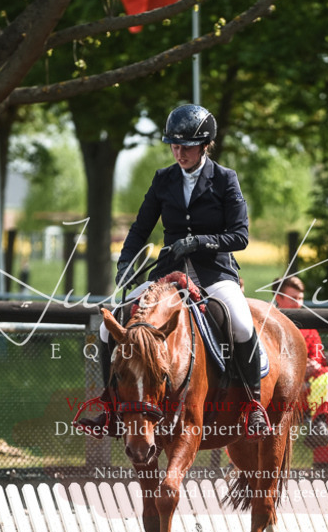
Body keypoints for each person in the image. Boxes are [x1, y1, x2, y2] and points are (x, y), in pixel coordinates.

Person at [76, 104, 271, 438]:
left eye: (187, 146)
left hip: (214, 275)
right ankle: (109, 407)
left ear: (204, 144)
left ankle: (253, 404)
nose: (179, 152)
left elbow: (239, 236)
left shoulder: (225, 180)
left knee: (239, 320)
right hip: (167, 277)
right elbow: (140, 228)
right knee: (112, 328)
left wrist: (197, 242)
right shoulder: (163, 179)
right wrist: (125, 262)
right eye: (174, 146)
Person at [274, 275, 328, 470]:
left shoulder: (307, 324)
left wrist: (314, 365)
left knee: (327, 376)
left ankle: (320, 430)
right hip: (281, 391)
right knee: (327, 405)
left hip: (309, 392)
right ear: (279, 298)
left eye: (300, 298)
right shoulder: (270, 323)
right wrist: (300, 368)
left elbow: (317, 355)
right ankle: (321, 422)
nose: (298, 303)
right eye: (293, 298)